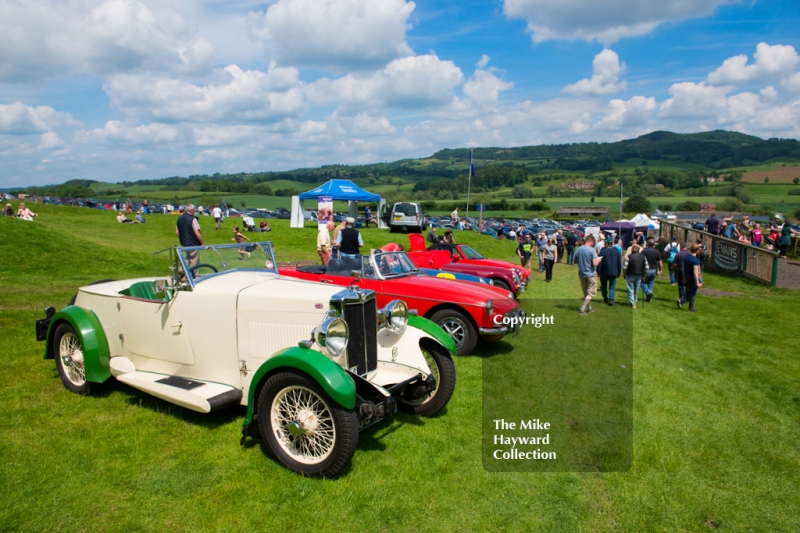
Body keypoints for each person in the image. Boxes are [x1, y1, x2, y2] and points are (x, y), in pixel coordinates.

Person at [575, 234, 603, 315]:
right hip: (590, 274)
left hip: (581, 273)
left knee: (585, 293)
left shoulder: (579, 249)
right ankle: (582, 309)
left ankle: (589, 307)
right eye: (593, 243)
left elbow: (575, 260)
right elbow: (594, 263)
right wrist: (599, 260)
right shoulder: (591, 250)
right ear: (591, 242)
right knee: (590, 293)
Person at [175, 204, 203, 275]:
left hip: (184, 243)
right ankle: (193, 276)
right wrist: (202, 243)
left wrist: (183, 238)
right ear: (192, 210)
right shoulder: (193, 219)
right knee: (194, 261)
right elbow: (196, 232)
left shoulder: (179, 219)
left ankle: (182, 271)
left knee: (187, 259)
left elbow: (177, 232)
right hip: (193, 243)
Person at [678, 244, 703, 312]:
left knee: (690, 290)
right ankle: (686, 304)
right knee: (692, 292)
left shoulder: (686, 258)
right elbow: (695, 272)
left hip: (687, 276)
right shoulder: (695, 260)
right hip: (693, 278)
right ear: (697, 251)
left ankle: (683, 301)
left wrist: (684, 277)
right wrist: (697, 282)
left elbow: (683, 268)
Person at [598, 238, 622, 305]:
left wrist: (598, 272)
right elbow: (619, 263)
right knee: (612, 286)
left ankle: (605, 298)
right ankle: (611, 299)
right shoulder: (616, 252)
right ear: (612, 243)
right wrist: (619, 272)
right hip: (614, 271)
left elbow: (600, 263)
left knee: (604, 285)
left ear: (606, 244)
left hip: (604, 272)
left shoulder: (603, 252)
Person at [623, 244, 646, 309]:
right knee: (636, 289)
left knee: (630, 289)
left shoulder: (629, 256)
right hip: (639, 274)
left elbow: (625, 267)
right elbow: (646, 267)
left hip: (630, 274)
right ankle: (634, 302)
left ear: (632, 250)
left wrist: (624, 274)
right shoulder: (643, 256)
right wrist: (644, 274)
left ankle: (632, 303)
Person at [642, 238, 662, 303]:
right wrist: (660, 269)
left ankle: (648, 293)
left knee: (642, 282)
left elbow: (641, 261)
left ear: (647, 244)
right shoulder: (657, 252)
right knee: (651, 283)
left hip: (646, 269)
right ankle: (649, 299)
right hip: (654, 269)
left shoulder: (644, 251)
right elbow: (660, 262)